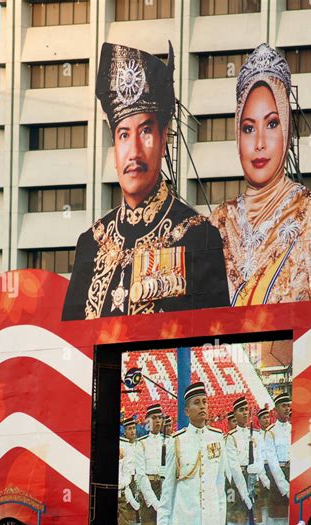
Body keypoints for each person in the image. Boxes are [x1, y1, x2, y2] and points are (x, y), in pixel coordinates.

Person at [62, 41, 229, 320]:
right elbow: (70, 347)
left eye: (146, 131)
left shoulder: (198, 237)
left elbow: (212, 345)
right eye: (124, 135)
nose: (135, 151)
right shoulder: (91, 243)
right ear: (114, 150)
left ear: (164, 140)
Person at [210, 43, 311, 307]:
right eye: (248, 128)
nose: (259, 142)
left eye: (272, 124)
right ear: (237, 134)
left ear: (287, 130)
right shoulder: (218, 223)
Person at [157, 382, 227, 525]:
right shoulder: (176, 441)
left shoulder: (217, 437)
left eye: (204, 402)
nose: (202, 406)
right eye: (197, 403)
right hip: (185, 523)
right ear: (187, 411)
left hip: (211, 523)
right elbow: (168, 491)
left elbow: (220, 487)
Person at [225, 396, 269, 525]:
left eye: (246, 409)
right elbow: (234, 467)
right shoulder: (231, 437)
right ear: (235, 414)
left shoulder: (256, 435)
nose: (244, 413)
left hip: (254, 479)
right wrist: (244, 494)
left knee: (255, 524)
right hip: (239, 480)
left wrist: (265, 481)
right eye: (241, 410)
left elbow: (260, 458)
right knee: (239, 523)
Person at [117, 416, 157, 525]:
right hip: (126, 482)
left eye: (134, 428)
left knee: (139, 515)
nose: (132, 431)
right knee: (127, 516)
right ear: (124, 431)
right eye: (129, 429)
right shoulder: (122, 445)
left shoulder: (140, 444)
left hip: (138, 480)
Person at [138, 403, 167, 525]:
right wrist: (154, 502)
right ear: (148, 421)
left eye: (160, 418)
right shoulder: (142, 443)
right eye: (154, 418)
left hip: (164, 486)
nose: (158, 421)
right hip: (148, 488)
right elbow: (141, 475)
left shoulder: (169, 441)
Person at [264, 392, 291, 525]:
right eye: (283, 406)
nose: (287, 409)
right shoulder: (270, 432)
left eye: (288, 405)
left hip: (293, 475)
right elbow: (273, 464)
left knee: (292, 520)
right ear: (275, 410)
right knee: (277, 522)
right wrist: (285, 489)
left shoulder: (294, 429)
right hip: (278, 480)